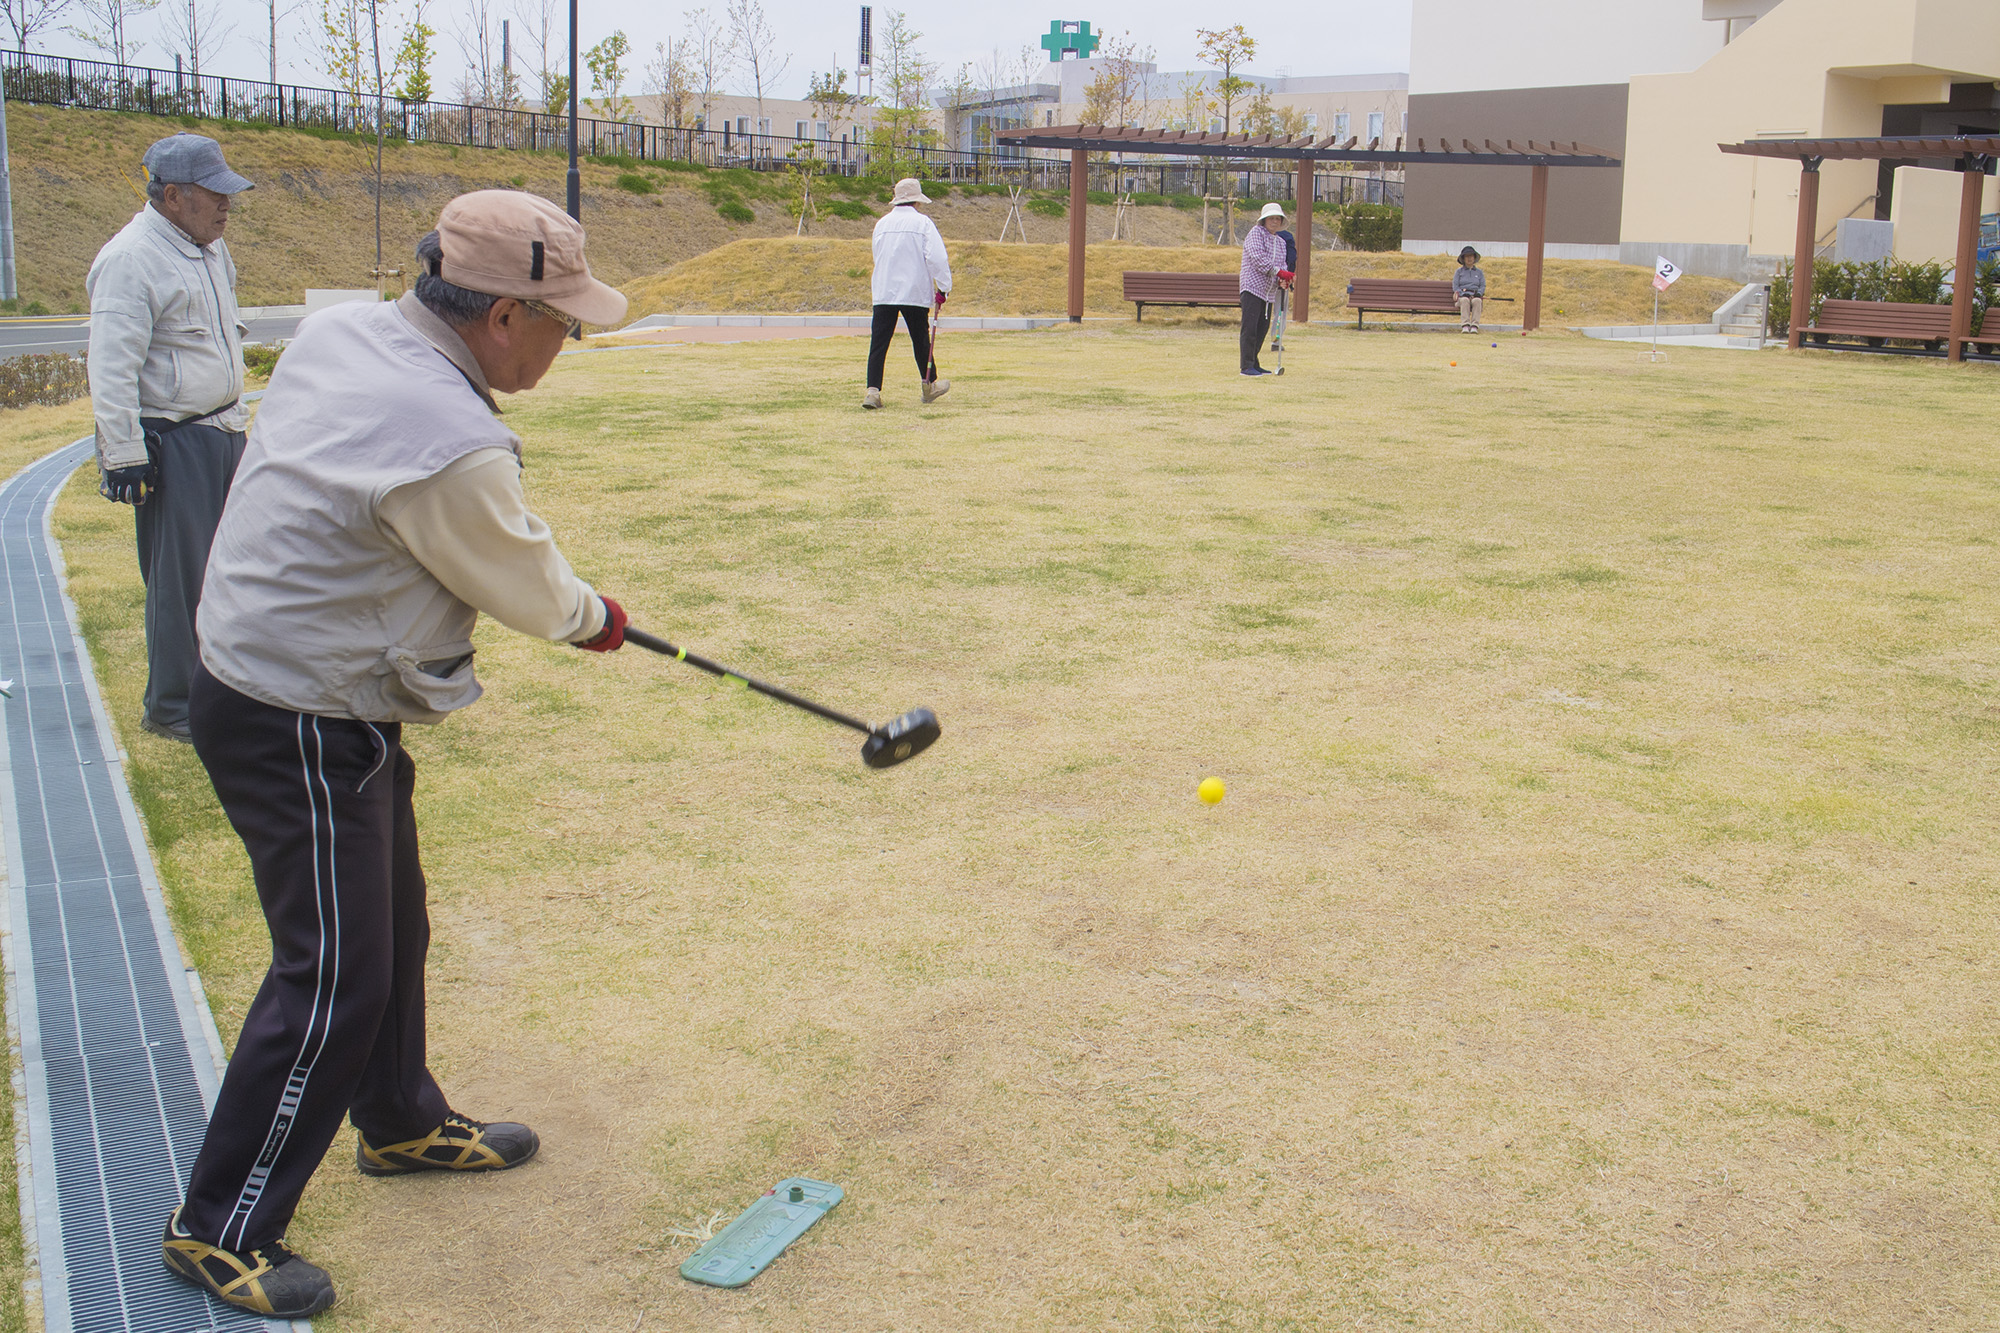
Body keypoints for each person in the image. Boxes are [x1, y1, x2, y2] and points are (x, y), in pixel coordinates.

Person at [159, 190, 631, 1320]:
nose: (570, 341)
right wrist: (595, 617)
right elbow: (528, 587)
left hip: (297, 680)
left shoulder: (346, 329)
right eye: (563, 320)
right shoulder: (449, 439)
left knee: (389, 924)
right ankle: (218, 1225)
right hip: (297, 713)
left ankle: (401, 1119)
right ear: (505, 314)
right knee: (332, 973)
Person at [85, 133, 255, 743]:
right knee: (179, 579)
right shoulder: (132, 258)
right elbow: (110, 364)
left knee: (227, 569)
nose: (227, 205)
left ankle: (222, 690)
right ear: (174, 195)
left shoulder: (209, 248)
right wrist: (124, 452)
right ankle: (172, 707)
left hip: (221, 429)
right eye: (216, 194)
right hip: (173, 442)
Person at [864, 177, 952, 409]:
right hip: (913, 289)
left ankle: (872, 391)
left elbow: (877, 255)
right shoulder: (923, 224)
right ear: (917, 202)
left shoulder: (881, 224)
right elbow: (937, 257)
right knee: (920, 340)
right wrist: (943, 286)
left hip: (885, 290)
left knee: (879, 343)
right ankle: (929, 385)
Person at [1239, 202, 1295, 376]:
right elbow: (1258, 259)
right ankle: (1246, 365)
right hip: (1252, 287)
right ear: (1264, 220)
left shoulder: (1280, 241)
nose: (1275, 221)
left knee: (1262, 327)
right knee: (1250, 327)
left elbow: (1282, 263)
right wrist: (1279, 272)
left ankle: (1254, 362)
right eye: (1271, 218)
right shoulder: (1255, 234)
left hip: (1268, 292)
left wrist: (1282, 279)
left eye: (1277, 218)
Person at [1455, 245, 1487, 333]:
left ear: (1474, 258)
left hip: (1474, 296)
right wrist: (1462, 294)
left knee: (1477, 301)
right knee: (1465, 300)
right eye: (1467, 256)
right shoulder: (1459, 272)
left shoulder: (1479, 272)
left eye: (1471, 256)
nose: (1469, 258)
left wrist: (1479, 293)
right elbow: (1455, 286)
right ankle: (1465, 325)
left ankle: (1474, 326)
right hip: (1462, 297)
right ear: (1463, 259)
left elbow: (1482, 285)